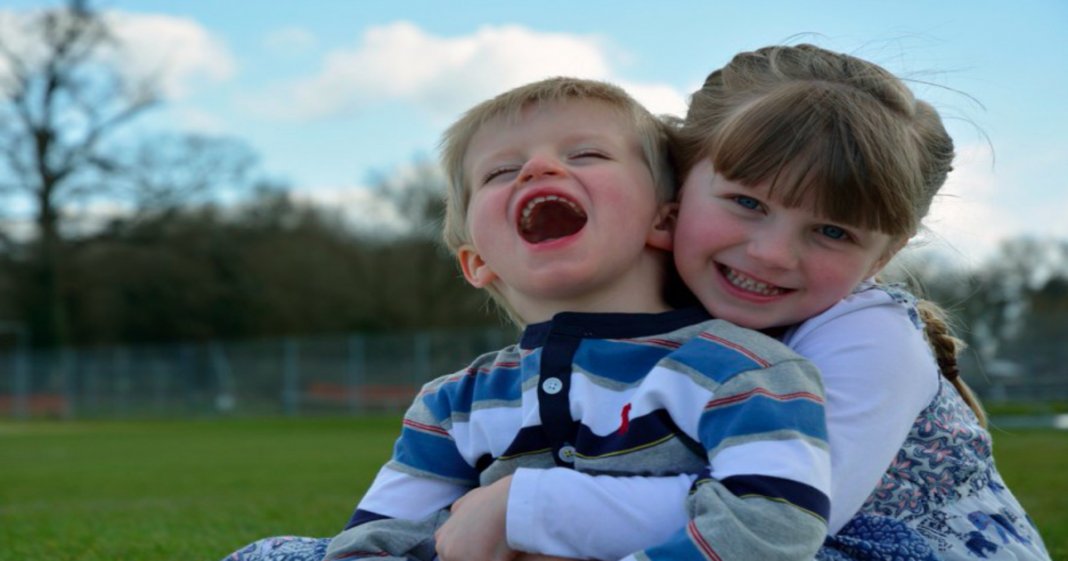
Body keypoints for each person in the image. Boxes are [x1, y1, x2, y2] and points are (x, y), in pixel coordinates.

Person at [439, 44, 1050, 561]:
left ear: (883, 257)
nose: (773, 254)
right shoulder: (662, 314)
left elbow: (782, 515)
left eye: (833, 232)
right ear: (676, 186)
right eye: (747, 203)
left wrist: (521, 504)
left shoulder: (869, 337)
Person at [220, 77, 832, 561]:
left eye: (586, 154)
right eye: (500, 171)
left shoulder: (742, 368)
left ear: (664, 221)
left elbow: (773, 526)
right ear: (476, 260)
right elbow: (376, 537)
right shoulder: (451, 404)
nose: (539, 170)